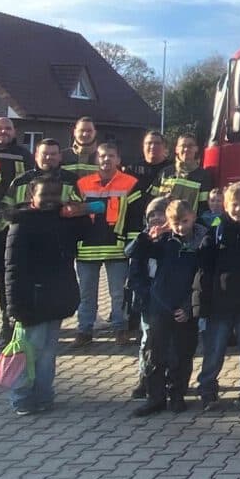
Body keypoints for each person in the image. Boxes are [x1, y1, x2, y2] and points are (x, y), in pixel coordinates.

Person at [4, 178, 89, 415]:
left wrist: (80, 212)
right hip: (31, 301)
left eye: (55, 194)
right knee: (28, 352)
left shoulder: (62, 220)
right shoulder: (21, 224)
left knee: (48, 353)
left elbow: (88, 234)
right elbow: (12, 269)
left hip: (57, 298)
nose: (50, 200)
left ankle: (44, 396)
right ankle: (21, 399)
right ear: (32, 195)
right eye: (45, 195)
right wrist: (15, 307)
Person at [126, 200, 206, 416]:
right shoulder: (163, 242)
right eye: (175, 223)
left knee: (182, 355)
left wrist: (188, 307)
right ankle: (155, 397)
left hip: (185, 308)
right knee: (155, 354)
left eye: (185, 221)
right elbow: (132, 253)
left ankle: (177, 395)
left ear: (193, 217)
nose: (180, 227)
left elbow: (204, 279)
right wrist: (147, 237)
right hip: (159, 306)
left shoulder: (202, 243)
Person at [194, 182, 240, 411]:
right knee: (214, 349)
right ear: (225, 206)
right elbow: (205, 264)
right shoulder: (217, 229)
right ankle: (207, 388)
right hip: (220, 302)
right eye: (234, 205)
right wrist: (207, 295)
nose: (238, 209)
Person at [72, 142, 144, 348]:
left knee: (118, 293)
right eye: (103, 156)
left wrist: (130, 243)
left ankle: (120, 329)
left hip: (117, 248)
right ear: (97, 159)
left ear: (118, 160)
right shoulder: (83, 184)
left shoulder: (130, 183)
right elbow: (74, 214)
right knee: (86, 293)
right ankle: (84, 330)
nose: (106, 159)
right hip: (87, 248)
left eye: (111, 156)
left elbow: (135, 217)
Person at [0, 116, 34, 345]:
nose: (2, 132)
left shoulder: (23, 155)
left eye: (7, 128)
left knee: (6, 280)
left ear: (14, 131)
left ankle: (7, 327)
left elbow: (30, 187)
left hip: (10, 227)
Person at [154, 135, 213, 216]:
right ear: (176, 149)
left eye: (190, 146)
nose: (186, 149)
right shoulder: (165, 172)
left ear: (196, 149)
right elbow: (153, 201)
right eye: (183, 146)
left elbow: (204, 207)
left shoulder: (203, 176)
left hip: (188, 225)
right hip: (164, 223)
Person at [122, 131, 169, 206]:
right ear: (143, 146)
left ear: (164, 146)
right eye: (149, 143)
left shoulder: (172, 170)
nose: (152, 146)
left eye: (157, 143)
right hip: (135, 215)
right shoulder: (132, 169)